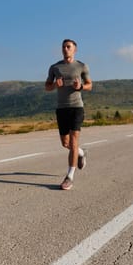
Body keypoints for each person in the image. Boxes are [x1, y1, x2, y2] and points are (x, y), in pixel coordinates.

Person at [45, 39, 92, 190]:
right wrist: (54, 85)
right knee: (66, 144)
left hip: (76, 107)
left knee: (73, 140)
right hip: (61, 109)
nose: (66, 49)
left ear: (75, 50)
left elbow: (90, 85)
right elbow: (47, 87)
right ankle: (80, 152)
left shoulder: (81, 66)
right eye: (64, 47)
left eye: (68, 47)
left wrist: (81, 86)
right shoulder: (54, 67)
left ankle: (69, 177)